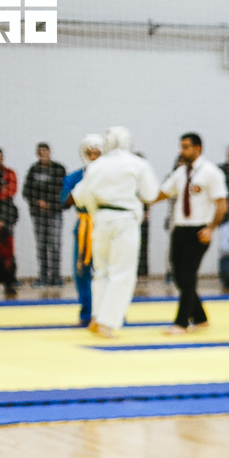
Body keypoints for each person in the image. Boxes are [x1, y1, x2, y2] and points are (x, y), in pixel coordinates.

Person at [71, 126, 161, 338]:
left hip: (101, 219)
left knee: (101, 271)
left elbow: (80, 196)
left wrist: (95, 211)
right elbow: (150, 194)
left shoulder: (97, 165)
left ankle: (96, 317)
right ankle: (107, 322)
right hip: (125, 219)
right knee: (122, 273)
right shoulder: (137, 164)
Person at [156, 132, 227, 335]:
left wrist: (210, 228)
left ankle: (181, 323)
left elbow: (222, 204)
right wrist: (140, 197)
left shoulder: (211, 172)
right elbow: (163, 193)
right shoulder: (180, 173)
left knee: (187, 276)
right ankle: (201, 318)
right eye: (181, 147)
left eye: (186, 147)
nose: (182, 151)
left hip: (199, 230)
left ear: (198, 148)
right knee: (178, 277)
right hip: (180, 229)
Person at [64, 134, 101, 326]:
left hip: (106, 224)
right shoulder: (74, 177)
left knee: (107, 272)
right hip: (84, 226)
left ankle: (110, 314)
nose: (93, 156)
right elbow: (64, 202)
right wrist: (82, 186)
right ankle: (87, 313)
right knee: (82, 272)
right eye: (89, 152)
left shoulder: (112, 176)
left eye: (97, 152)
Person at [24, 142, 67, 287]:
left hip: (55, 213)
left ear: (49, 152)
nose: (43, 154)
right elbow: (27, 191)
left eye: (45, 151)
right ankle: (43, 277)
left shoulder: (59, 169)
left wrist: (50, 204)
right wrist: (38, 202)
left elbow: (63, 190)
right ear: (37, 154)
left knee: (55, 245)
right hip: (38, 214)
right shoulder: (33, 170)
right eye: (40, 152)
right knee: (41, 246)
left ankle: (56, 277)